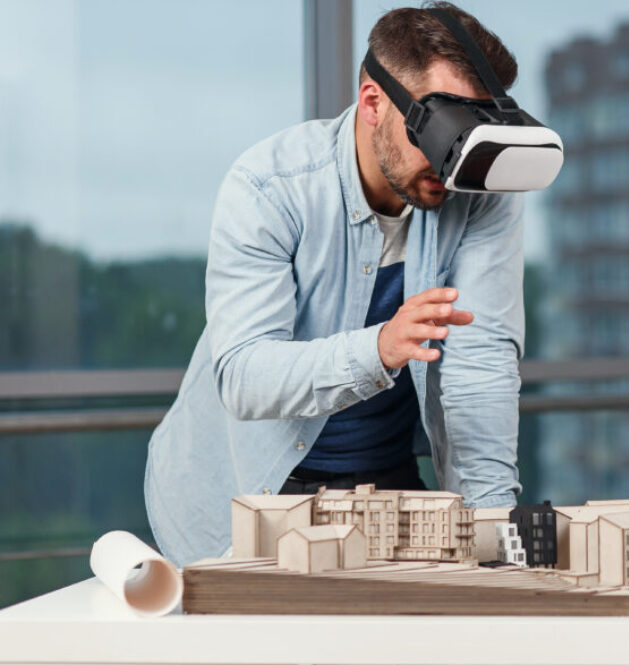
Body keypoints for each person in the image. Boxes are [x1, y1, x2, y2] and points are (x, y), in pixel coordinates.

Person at [145, 2, 525, 566]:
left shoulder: (476, 193)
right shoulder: (271, 187)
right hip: (248, 493)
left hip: (386, 482)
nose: (451, 164)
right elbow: (245, 375)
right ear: (374, 102)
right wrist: (378, 349)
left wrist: (499, 536)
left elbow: (481, 370)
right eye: (442, 132)